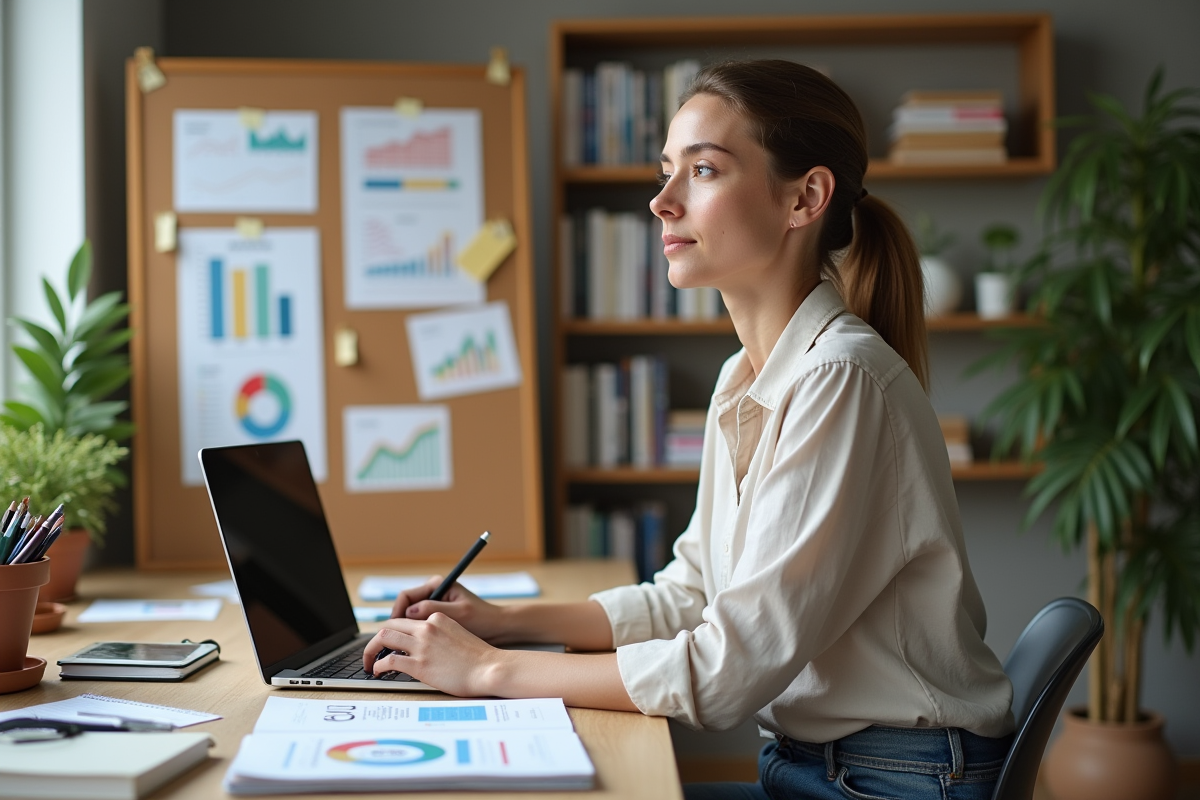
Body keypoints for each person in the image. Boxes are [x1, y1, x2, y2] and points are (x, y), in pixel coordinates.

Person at [365, 59, 1015, 800]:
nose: (662, 203)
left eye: (702, 171)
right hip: (829, 766)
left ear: (805, 197)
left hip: (898, 778)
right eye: (667, 171)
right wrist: (504, 622)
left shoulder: (841, 381)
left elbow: (726, 670)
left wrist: (487, 671)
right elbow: (694, 594)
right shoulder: (745, 377)